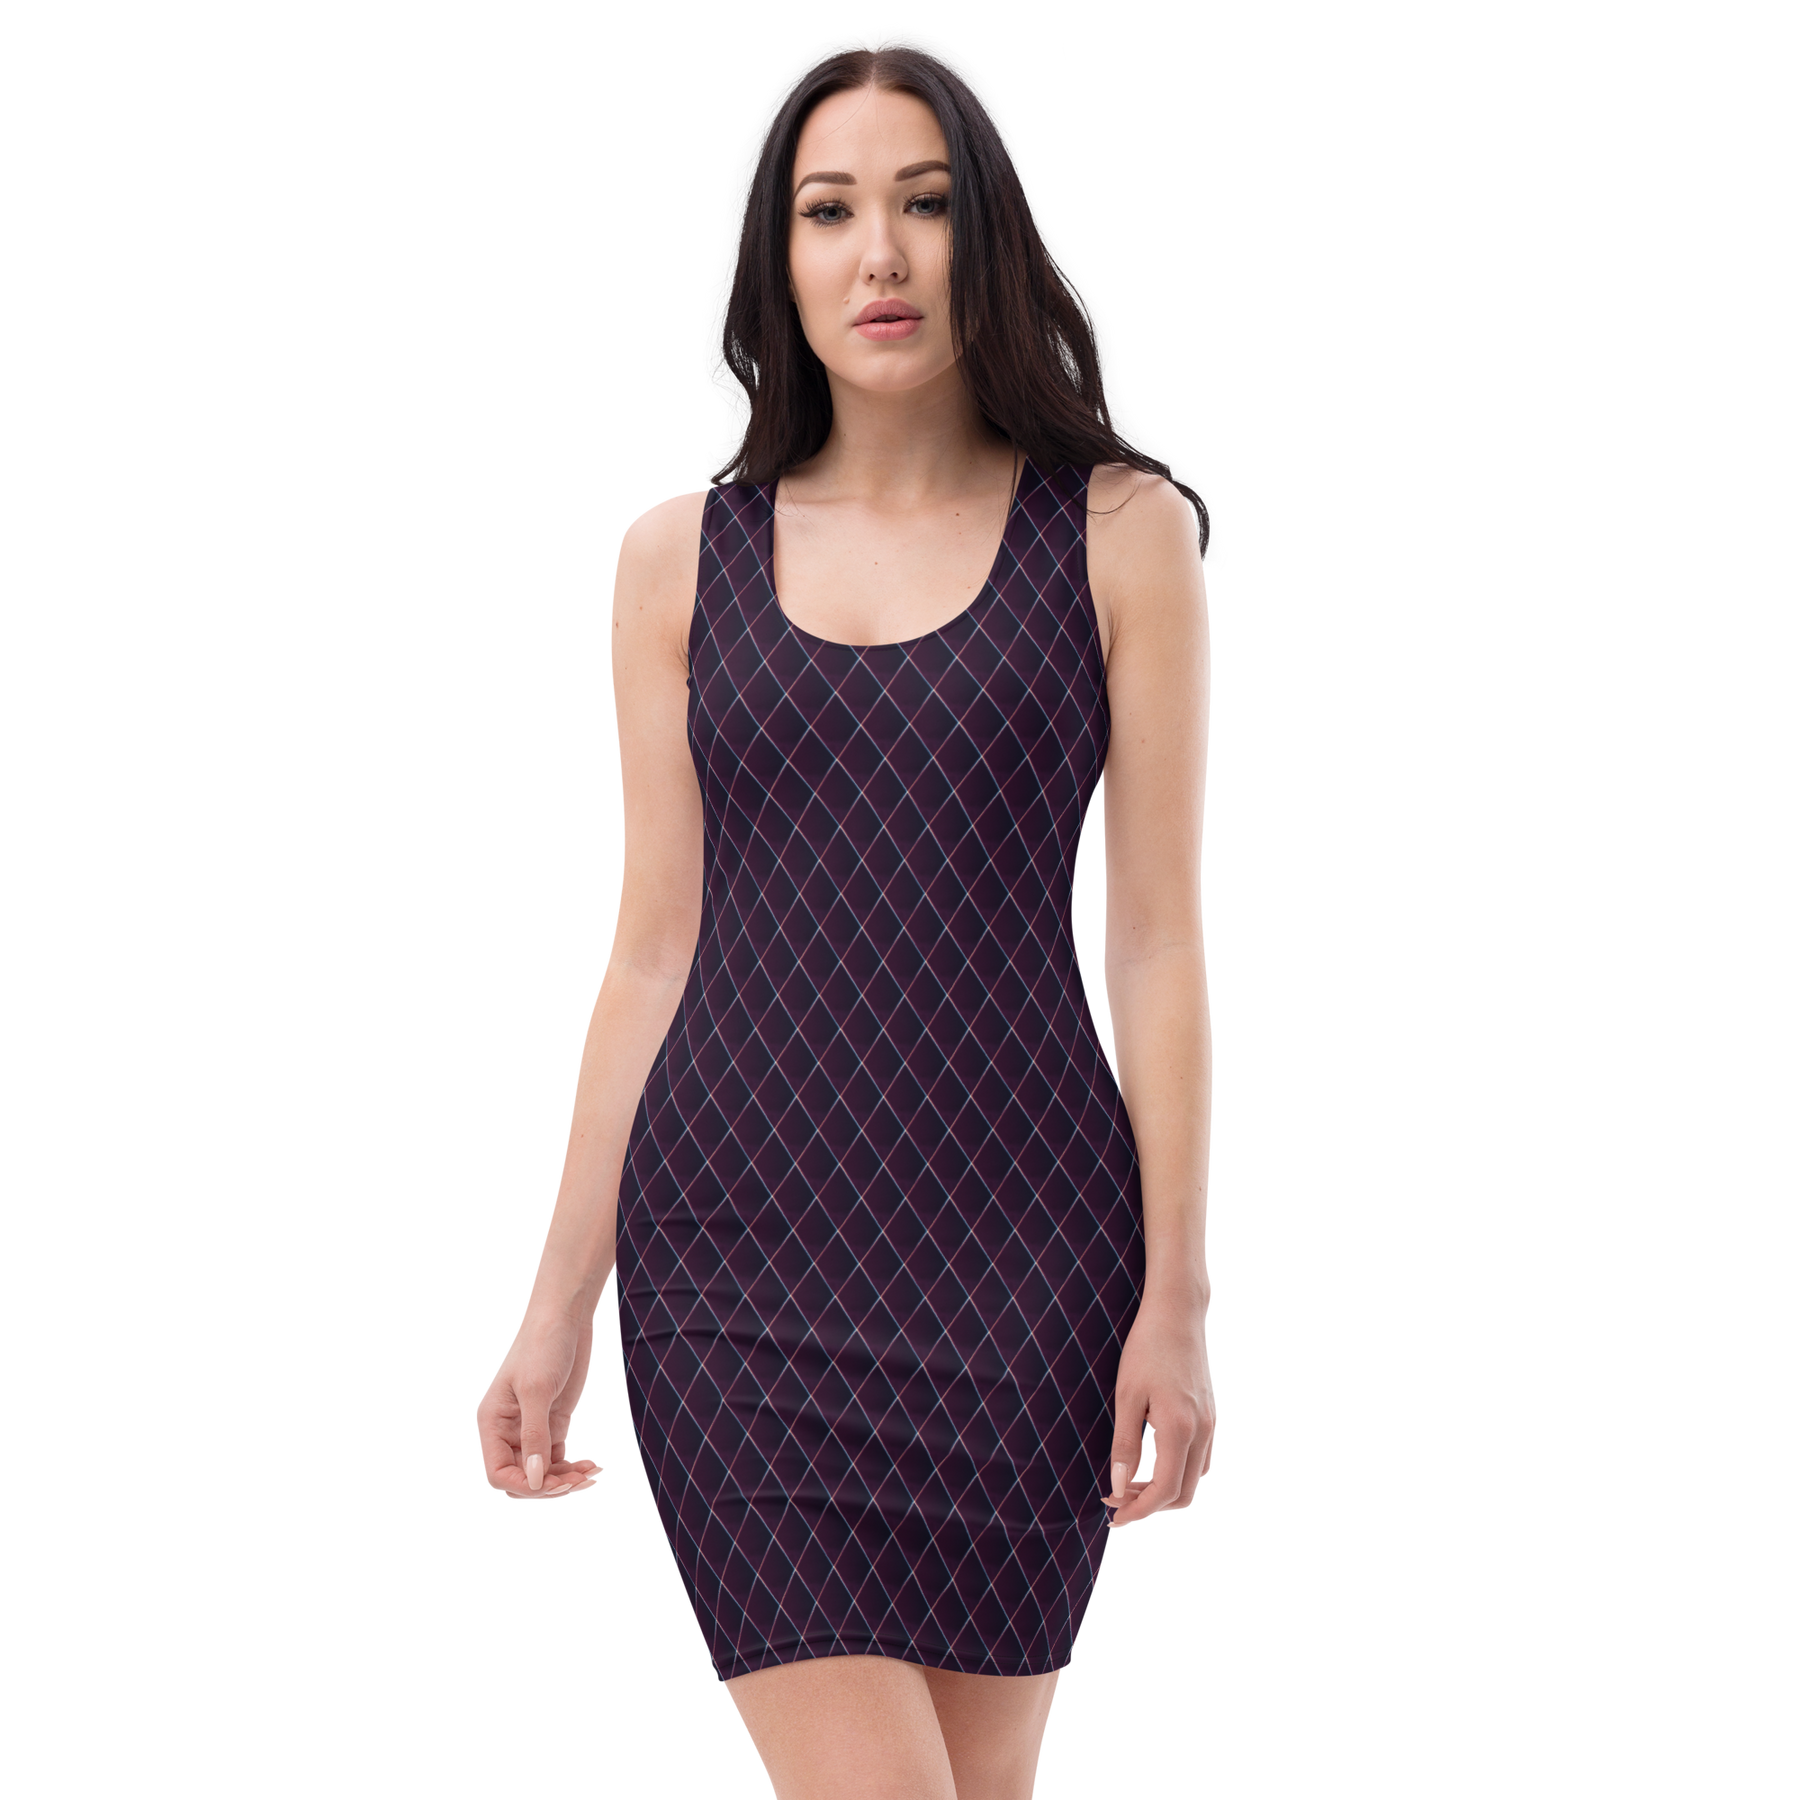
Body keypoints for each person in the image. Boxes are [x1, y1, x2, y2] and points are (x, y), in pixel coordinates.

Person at [473, 23, 1222, 1799]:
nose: (878, 253)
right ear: (775, 249)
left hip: (1033, 1278)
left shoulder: (1119, 534)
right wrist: (557, 1303)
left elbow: (1156, 945)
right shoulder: (675, 558)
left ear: (995, 230)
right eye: (828, 210)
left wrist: (1178, 1296)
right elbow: (650, 951)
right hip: (731, 1277)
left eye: (926, 202)